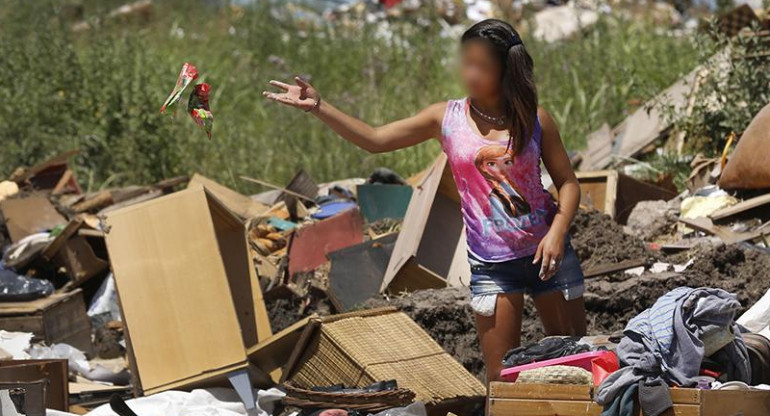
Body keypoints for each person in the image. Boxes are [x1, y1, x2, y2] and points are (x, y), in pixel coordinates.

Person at [263, 18, 587, 383]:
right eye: (466, 62)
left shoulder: (536, 119)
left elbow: (568, 184)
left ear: (506, 68)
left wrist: (558, 232)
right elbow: (375, 139)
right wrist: (319, 106)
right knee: (502, 377)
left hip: (549, 256)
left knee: (576, 365)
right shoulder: (445, 118)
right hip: (494, 265)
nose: (470, 73)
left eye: (481, 65)